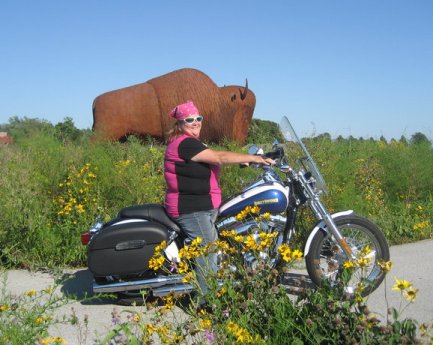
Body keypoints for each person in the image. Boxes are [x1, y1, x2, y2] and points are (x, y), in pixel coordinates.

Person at [164, 100, 274, 302]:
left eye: (199, 118)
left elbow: (211, 159)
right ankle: (206, 302)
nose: (196, 122)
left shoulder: (189, 142)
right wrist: (257, 159)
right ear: (179, 123)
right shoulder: (184, 143)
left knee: (212, 245)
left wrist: (246, 160)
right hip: (191, 208)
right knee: (208, 249)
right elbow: (218, 157)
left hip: (200, 206)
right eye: (190, 120)